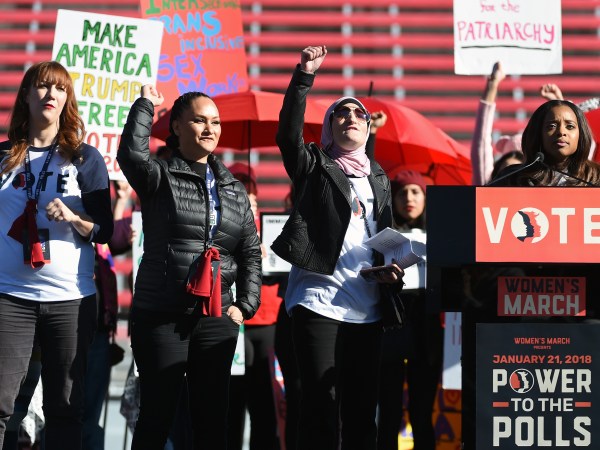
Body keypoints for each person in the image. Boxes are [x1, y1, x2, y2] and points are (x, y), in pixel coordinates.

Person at [271, 45, 404, 450]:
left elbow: (385, 237)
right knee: (319, 408)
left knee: (363, 414)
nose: (350, 118)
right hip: (319, 302)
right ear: (329, 127)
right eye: (340, 113)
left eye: (358, 114)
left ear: (367, 128)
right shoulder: (312, 165)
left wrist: (394, 266)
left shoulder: (380, 178)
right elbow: (287, 134)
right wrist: (304, 77)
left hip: (368, 308)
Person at [116, 85, 262, 450]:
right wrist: (145, 106)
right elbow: (131, 156)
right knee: (156, 417)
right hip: (162, 314)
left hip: (216, 319)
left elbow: (249, 252)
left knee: (212, 422)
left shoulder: (233, 188)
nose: (210, 128)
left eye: (215, 122)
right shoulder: (158, 176)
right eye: (199, 120)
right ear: (177, 127)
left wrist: (243, 306)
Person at [0, 61, 113, 449]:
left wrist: (75, 216)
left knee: (65, 406)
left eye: (59, 89)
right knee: (0, 404)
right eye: (43, 86)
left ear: (67, 100)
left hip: (70, 300)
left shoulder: (86, 159)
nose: (51, 94)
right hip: (9, 297)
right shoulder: (2, 158)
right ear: (27, 95)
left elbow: (105, 232)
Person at [377, 170, 443, 450]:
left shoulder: (442, 236)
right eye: (403, 192)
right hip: (390, 325)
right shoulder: (381, 237)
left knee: (422, 411)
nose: (409, 198)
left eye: (416, 192)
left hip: (426, 330)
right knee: (389, 412)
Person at [227, 162, 282, 450]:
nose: (249, 207)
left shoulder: (271, 231)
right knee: (231, 404)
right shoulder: (219, 227)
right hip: (233, 323)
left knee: (264, 405)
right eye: (240, 199)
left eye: (253, 201)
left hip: (267, 322)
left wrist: (267, 255)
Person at [492, 100, 600, 186]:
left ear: (581, 134)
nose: (561, 132)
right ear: (538, 134)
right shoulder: (512, 178)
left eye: (570, 126)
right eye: (551, 126)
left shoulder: (596, 177)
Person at [471, 61, 523, 185]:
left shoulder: (542, 200)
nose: (511, 176)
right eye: (506, 171)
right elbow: (481, 145)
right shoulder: (486, 187)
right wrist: (492, 86)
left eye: (518, 171)